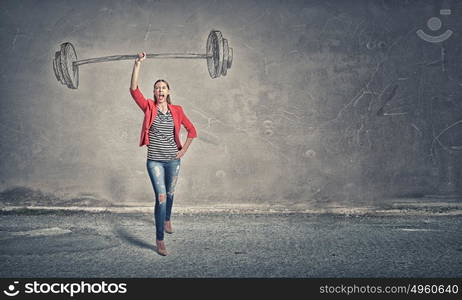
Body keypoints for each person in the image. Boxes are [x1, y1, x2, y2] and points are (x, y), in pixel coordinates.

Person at [129, 52, 197, 256]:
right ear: (154, 92)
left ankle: (167, 218)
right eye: (157, 88)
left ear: (168, 91)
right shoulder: (149, 107)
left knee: (170, 194)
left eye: (163, 88)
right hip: (155, 161)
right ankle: (159, 239)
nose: (160, 90)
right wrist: (137, 64)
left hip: (173, 162)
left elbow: (192, 131)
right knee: (160, 197)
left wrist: (182, 151)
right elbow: (134, 90)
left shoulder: (177, 110)